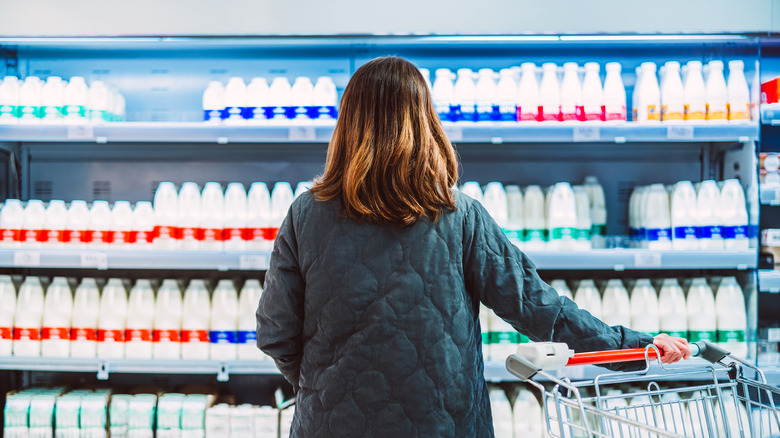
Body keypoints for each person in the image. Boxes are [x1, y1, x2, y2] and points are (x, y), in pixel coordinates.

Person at [256, 56, 691, 437]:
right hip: (445, 424)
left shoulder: (305, 214)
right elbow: (540, 310)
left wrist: (323, 386)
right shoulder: (459, 215)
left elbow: (275, 332)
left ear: (347, 126)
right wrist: (635, 346)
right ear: (425, 123)